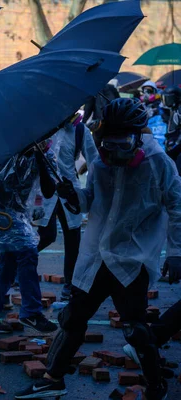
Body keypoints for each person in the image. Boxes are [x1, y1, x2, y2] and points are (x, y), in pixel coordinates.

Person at [16, 98, 181, 400]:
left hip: (133, 258)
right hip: (96, 257)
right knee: (72, 319)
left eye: (124, 143)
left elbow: (177, 206)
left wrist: (176, 252)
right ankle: (53, 379)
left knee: (137, 329)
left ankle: (156, 386)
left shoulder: (159, 164)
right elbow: (89, 200)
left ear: (139, 136)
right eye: (109, 143)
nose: (115, 152)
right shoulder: (98, 163)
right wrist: (72, 194)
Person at [0, 142, 59, 335]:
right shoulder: (5, 149)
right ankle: (31, 312)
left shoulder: (45, 154)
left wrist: (39, 158)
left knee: (9, 262)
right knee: (28, 250)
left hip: (19, 212)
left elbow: (49, 190)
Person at [36, 114, 99, 301]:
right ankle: (16, 266)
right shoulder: (42, 127)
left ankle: (70, 283)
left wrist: (94, 190)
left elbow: (94, 160)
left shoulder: (80, 130)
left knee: (73, 238)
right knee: (46, 236)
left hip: (69, 189)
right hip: (44, 190)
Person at [163, 86, 181, 172]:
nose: (166, 100)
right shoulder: (173, 109)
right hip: (171, 144)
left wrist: (176, 144)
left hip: (177, 148)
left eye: (168, 98)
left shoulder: (179, 110)